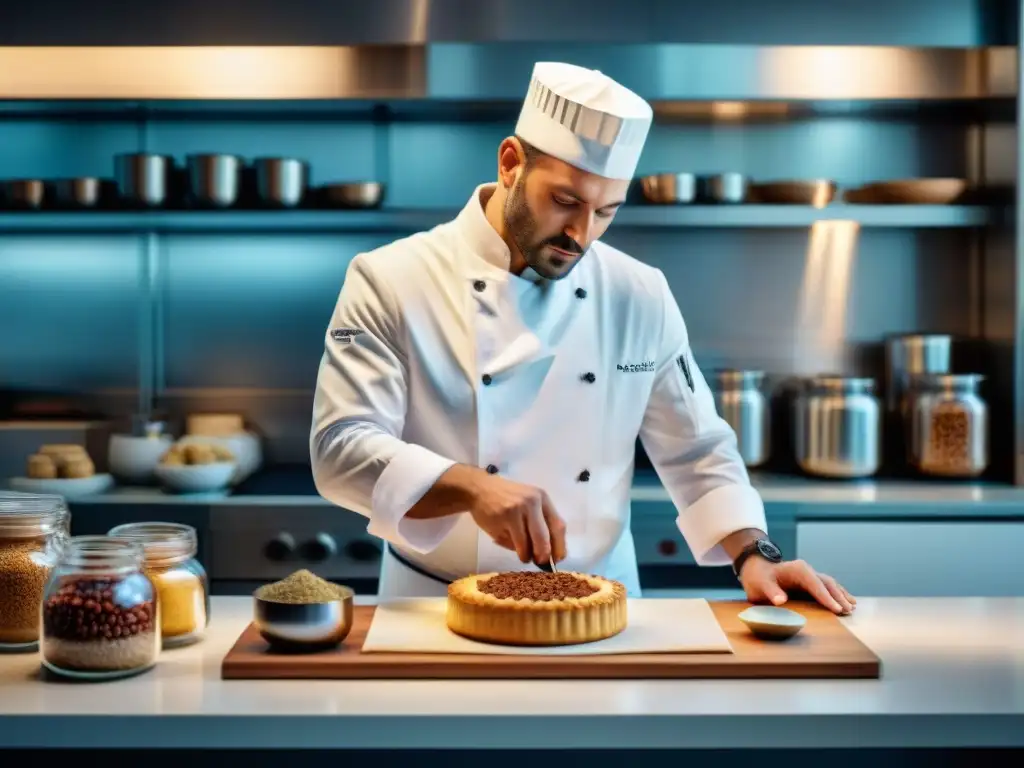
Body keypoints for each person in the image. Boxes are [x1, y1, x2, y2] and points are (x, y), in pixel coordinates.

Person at [310, 61, 856, 615]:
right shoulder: (390, 278)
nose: (582, 234)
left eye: (606, 212)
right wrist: (472, 487)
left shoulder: (639, 292)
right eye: (566, 202)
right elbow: (340, 448)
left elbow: (696, 448)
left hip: (601, 602)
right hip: (437, 605)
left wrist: (755, 553)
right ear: (509, 164)